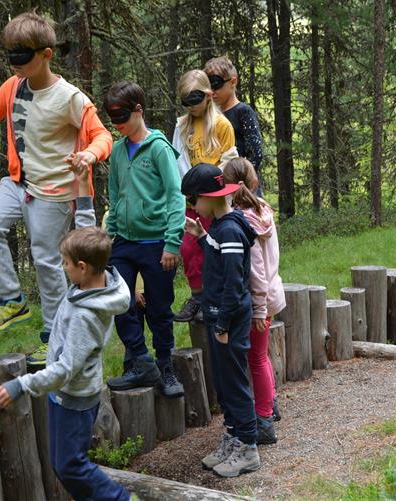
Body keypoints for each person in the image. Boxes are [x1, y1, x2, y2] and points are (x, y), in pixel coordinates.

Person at [0, 11, 112, 369]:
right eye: (11, 55)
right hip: (18, 183)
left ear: (46, 54)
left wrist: (89, 154)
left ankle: (53, 339)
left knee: (46, 262)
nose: (15, 64)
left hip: (53, 193)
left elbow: (102, 135)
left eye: (23, 57)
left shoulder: (70, 98)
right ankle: (12, 300)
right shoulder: (13, 86)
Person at [0, 164, 133, 501]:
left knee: (70, 465)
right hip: (66, 393)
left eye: (65, 263)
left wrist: (20, 385)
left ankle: (120, 499)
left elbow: (66, 368)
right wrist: (82, 187)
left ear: (82, 267)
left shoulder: (86, 315)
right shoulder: (95, 278)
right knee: (64, 462)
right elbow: (86, 226)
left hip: (74, 396)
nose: (63, 267)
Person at [101, 81, 186, 397]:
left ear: (139, 110)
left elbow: (175, 195)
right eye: (112, 118)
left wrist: (172, 242)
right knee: (119, 300)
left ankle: (165, 368)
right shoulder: (117, 151)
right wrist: (109, 237)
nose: (117, 123)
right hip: (123, 242)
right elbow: (114, 194)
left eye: (122, 116)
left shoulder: (160, 149)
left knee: (159, 309)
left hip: (157, 243)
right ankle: (139, 361)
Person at [182, 163, 260, 478]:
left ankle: (248, 447)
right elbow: (218, 259)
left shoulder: (229, 230)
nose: (190, 206)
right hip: (219, 316)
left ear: (208, 197)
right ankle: (233, 437)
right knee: (223, 383)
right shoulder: (219, 225)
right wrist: (202, 237)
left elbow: (233, 283)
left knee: (235, 383)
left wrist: (224, 323)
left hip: (228, 317)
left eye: (192, 199)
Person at [222, 158, 286, 444]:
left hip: (259, 299)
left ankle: (263, 421)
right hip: (270, 293)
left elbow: (256, 269)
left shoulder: (244, 220)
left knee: (256, 358)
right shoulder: (262, 209)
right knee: (261, 356)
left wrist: (258, 308)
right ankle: (270, 403)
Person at [172, 70, 238, 324]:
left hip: (215, 199)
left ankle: (214, 297)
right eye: (185, 101)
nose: (191, 106)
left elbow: (230, 162)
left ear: (209, 95)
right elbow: (178, 160)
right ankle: (198, 296)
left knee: (213, 247)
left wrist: (209, 183)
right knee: (189, 248)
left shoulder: (222, 125)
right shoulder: (182, 126)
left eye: (195, 100)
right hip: (192, 199)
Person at [203, 56, 264, 185]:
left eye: (216, 85)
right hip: (218, 183)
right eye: (209, 87)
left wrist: (243, 181)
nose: (212, 92)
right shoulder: (211, 116)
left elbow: (255, 154)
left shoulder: (243, 112)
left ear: (233, 82)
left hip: (242, 185)